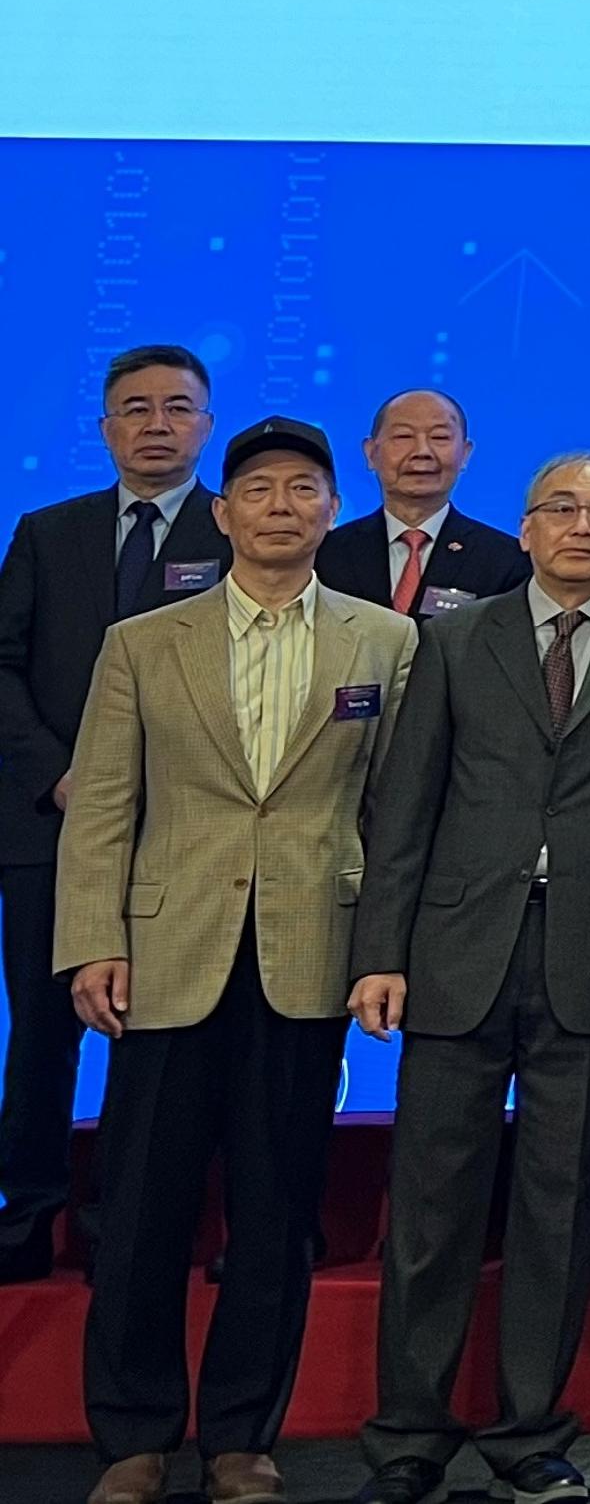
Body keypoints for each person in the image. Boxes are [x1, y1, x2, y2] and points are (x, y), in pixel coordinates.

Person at [56, 416, 405, 1504]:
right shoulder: (143, 643)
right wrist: (92, 942)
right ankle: (133, 1434)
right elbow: (102, 807)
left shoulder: (383, 643)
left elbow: (394, 813)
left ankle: (242, 1435)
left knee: (275, 1209)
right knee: (144, 1207)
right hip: (165, 955)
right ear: (224, 510)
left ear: (332, 510)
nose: (282, 506)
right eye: (260, 489)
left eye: (305, 489)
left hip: (309, 956)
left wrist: (383, 951)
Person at [348, 452, 590, 1504]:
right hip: (457, 951)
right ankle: (407, 1433)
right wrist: (380, 953)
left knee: (559, 1204)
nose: (584, 526)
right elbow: (402, 809)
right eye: (563, 509)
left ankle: (530, 1432)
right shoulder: (453, 639)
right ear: (527, 528)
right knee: (433, 1205)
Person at [0, 344, 227, 1288]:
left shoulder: (237, 536)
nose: (157, 424)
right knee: (43, 1031)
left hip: (184, 835)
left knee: (162, 1036)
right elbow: (4, 665)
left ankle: (124, 1216)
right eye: (136, 408)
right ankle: (30, 1209)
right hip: (51, 827)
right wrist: (59, 776)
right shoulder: (48, 532)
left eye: (178, 408)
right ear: (105, 429)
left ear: (205, 426)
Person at [320, 390, 529, 617]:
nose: (422, 452)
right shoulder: (326, 553)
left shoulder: (506, 561)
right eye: (403, 436)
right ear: (371, 453)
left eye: (439, 437)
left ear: (465, 454)